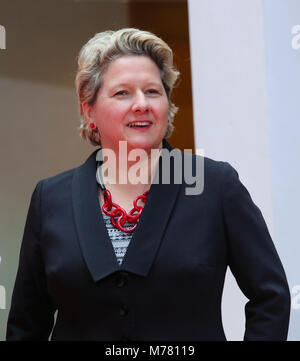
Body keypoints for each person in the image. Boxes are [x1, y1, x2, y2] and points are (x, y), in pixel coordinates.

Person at [6, 28, 290, 341]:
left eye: (153, 92)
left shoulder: (215, 186)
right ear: (89, 110)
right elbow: (26, 324)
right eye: (122, 93)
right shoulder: (51, 198)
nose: (141, 104)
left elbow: (271, 297)